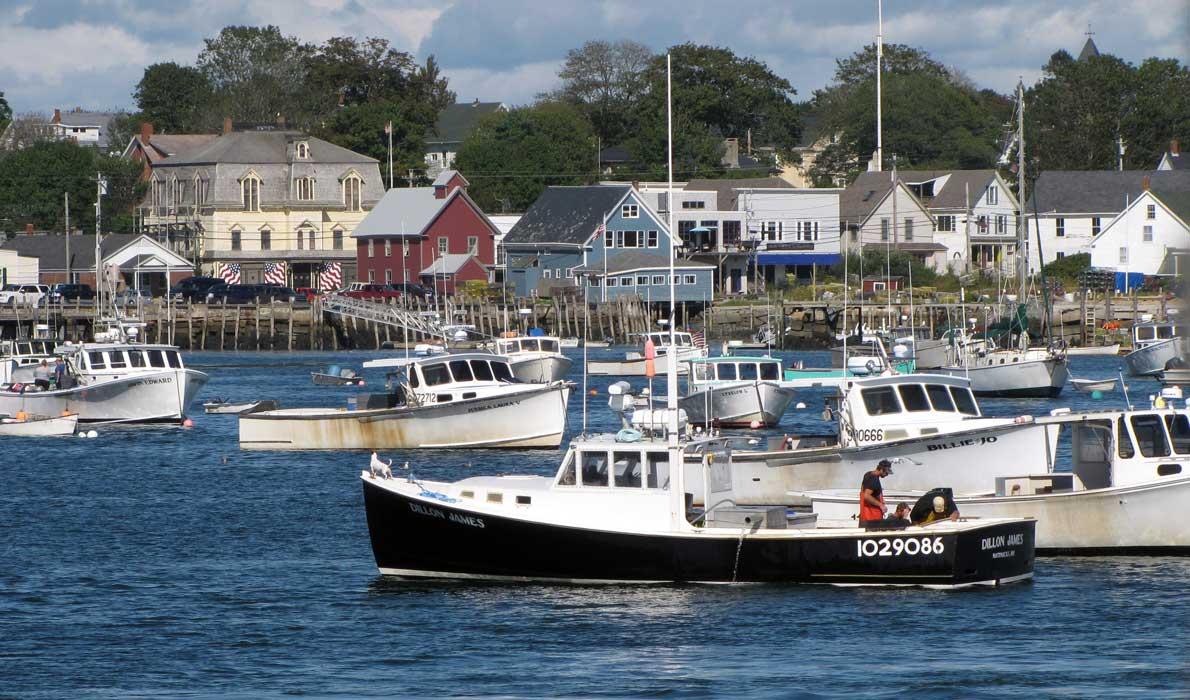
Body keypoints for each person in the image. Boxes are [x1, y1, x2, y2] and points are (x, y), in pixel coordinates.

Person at [858, 459, 893, 526]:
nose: (887, 475)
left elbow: (867, 492)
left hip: (864, 517)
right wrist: (881, 505)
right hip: (872, 519)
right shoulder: (874, 480)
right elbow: (866, 496)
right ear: (881, 470)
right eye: (886, 472)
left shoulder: (868, 474)